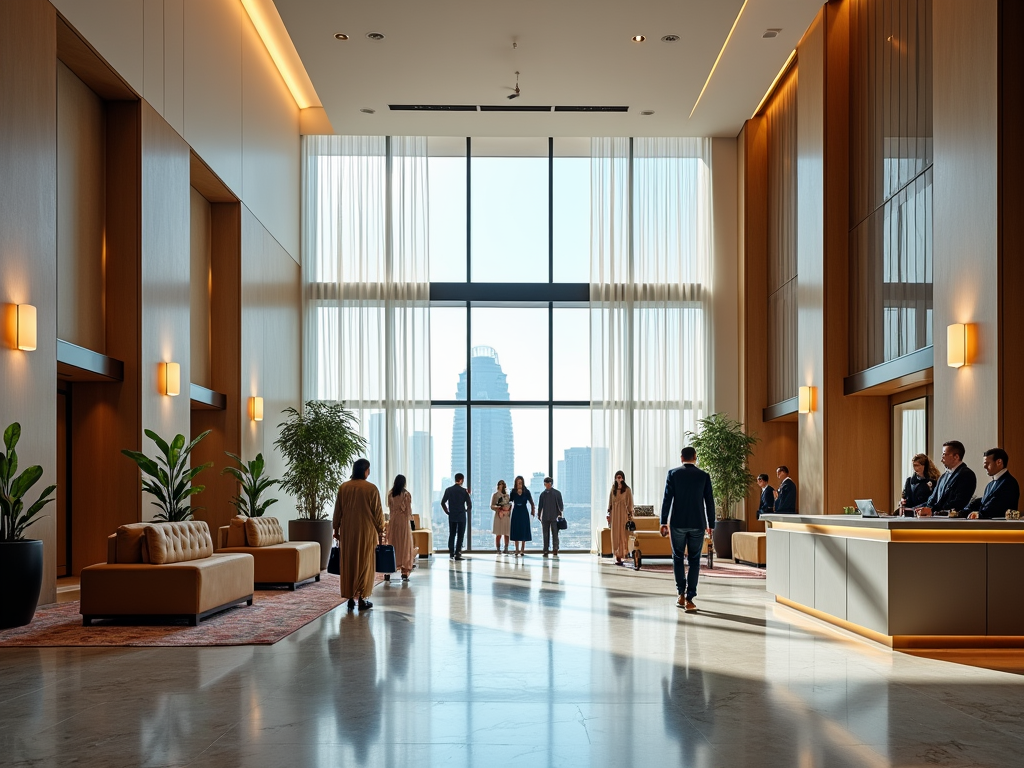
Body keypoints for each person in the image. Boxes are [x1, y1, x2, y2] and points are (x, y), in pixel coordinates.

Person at [660, 447, 715, 613]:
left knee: (677, 558)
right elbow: (710, 502)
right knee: (695, 560)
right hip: (698, 523)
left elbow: (667, 499)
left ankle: (680, 594)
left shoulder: (673, 474)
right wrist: (711, 524)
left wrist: (663, 521)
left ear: (681, 457)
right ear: (695, 458)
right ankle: (690, 598)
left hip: (677, 523)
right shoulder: (703, 476)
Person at [332, 458, 385, 611]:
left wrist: (336, 529)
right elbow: (377, 512)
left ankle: (349, 597)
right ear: (365, 471)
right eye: (368, 469)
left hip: (348, 531)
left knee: (349, 561)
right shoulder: (371, 489)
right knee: (365, 563)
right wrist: (381, 529)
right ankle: (362, 598)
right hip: (366, 531)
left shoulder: (344, 487)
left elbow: (338, 510)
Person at [917, 440, 977, 516]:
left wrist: (933, 510)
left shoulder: (967, 474)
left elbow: (959, 502)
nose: (941, 459)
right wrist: (918, 509)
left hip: (954, 522)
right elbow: (933, 499)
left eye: (944, 455)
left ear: (956, 457)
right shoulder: (943, 476)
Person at [965, 448, 1020, 519]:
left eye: (987, 463)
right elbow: (984, 502)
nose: (984, 467)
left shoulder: (1009, 483)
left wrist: (978, 514)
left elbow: (994, 508)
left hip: (1001, 528)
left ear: (999, 462)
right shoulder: (990, 485)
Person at [385, 474, 414, 581]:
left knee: (392, 544)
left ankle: (388, 570)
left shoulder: (391, 494)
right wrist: (412, 522)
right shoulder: (406, 494)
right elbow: (408, 510)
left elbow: (390, 508)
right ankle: (404, 572)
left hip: (393, 521)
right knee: (405, 545)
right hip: (403, 522)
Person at [441, 473, 472, 560]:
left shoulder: (448, 490)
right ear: (461, 480)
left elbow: (443, 502)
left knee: (452, 534)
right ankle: (458, 553)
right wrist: (466, 510)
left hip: (452, 515)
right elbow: (469, 504)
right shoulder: (464, 491)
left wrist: (447, 511)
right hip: (461, 515)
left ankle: (451, 553)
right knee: (460, 535)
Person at [607, 470, 634, 565]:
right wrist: (609, 516)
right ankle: (617, 554)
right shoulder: (613, 489)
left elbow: (630, 503)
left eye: (620, 477)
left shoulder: (627, 490)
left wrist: (630, 514)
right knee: (615, 534)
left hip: (623, 515)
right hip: (614, 515)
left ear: (623, 478)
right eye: (617, 477)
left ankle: (622, 554)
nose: (618, 478)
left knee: (622, 534)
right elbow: (610, 503)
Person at [536, 477, 564, 557]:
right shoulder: (543, 494)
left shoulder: (556, 493)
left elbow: (560, 505)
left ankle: (555, 549)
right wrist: (539, 514)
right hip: (545, 517)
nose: (547, 485)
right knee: (546, 534)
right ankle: (546, 550)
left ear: (551, 483)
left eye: (548, 483)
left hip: (554, 517)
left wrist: (560, 514)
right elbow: (540, 506)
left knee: (554, 533)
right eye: (546, 483)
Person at [508, 475, 535, 557]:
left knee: (523, 530)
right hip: (516, 512)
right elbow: (509, 502)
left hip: (523, 512)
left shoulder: (526, 491)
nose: (519, 484)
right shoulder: (513, 491)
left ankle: (522, 550)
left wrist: (533, 511)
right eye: (518, 482)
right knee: (516, 530)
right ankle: (516, 549)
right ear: (515, 483)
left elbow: (531, 502)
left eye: (521, 482)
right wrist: (507, 511)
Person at [490, 479, 512, 554]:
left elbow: (510, 504)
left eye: (503, 484)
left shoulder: (507, 496)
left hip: (506, 515)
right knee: (498, 533)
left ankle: (506, 548)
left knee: (506, 533)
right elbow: (492, 506)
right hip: (499, 515)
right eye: (500, 484)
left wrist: (509, 508)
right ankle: (498, 549)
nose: (501, 486)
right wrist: (497, 507)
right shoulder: (495, 495)